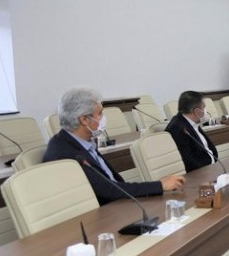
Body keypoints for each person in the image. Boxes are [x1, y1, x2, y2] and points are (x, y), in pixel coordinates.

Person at [43, 87, 185, 205]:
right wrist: (160, 186)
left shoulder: (83, 142)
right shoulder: (63, 152)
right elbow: (108, 190)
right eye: (100, 113)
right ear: (84, 119)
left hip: (119, 205)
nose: (103, 118)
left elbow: (114, 183)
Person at [165, 90, 220, 173]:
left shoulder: (192, 122)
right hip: (199, 173)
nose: (206, 111)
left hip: (211, 168)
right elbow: (188, 162)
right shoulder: (177, 128)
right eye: (204, 107)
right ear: (196, 111)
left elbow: (208, 148)